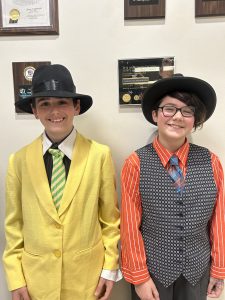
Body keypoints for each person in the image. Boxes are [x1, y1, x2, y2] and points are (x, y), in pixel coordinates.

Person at [3, 64, 121, 300]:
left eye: (62, 102)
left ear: (76, 107)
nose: (54, 111)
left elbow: (110, 219)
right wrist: (16, 278)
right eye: (45, 103)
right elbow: (14, 225)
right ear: (35, 111)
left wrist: (110, 268)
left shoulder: (99, 155)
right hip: (38, 281)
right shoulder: (19, 161)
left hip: (87, 280)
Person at [120, 74, 225, 300]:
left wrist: (219, 269)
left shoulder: (212, 162)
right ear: (155, 114)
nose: (178, 117)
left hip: (198, 272)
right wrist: (139, 277)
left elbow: (219, 220)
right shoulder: (135, 163)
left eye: (187, 111)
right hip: (152, 274)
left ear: (194, 119)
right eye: (169, 108)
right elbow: (129, 226)